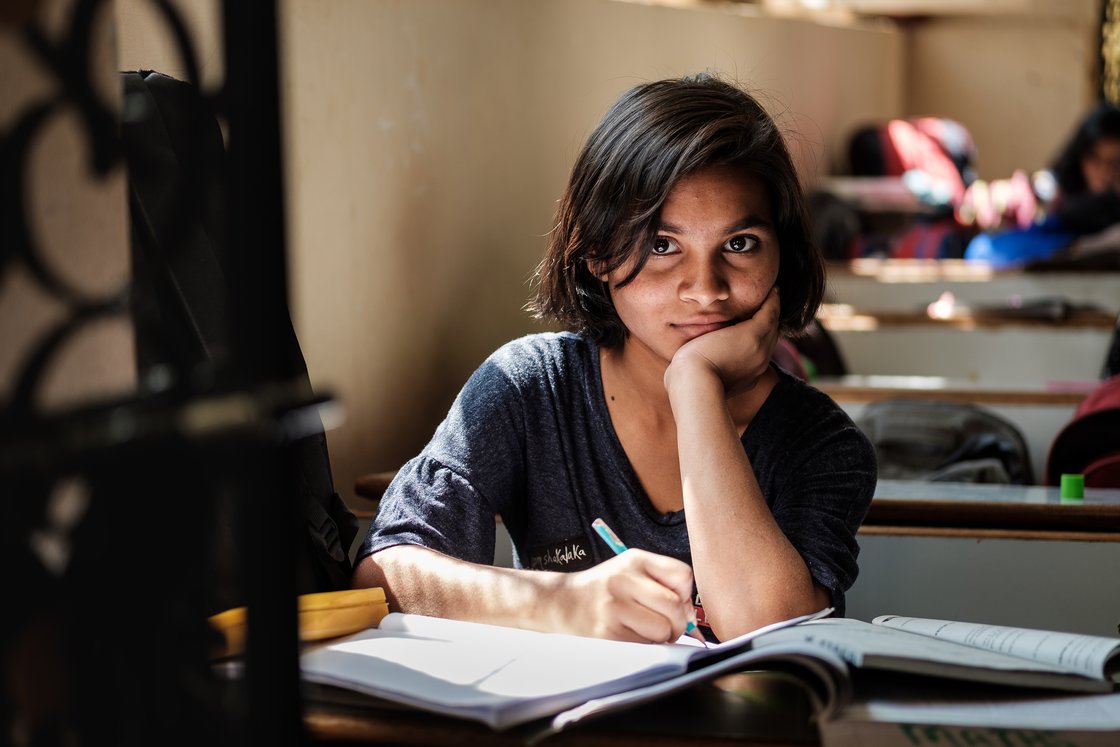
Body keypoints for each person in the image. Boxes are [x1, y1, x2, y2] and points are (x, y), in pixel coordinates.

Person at [352, 73, 877, 644]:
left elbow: (770, 633)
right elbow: (382, 577)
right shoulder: (531, 389)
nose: (705, 289)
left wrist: (696, 385)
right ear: (598, 253)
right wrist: (562, 603)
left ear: (784, 252)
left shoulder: (824, 444)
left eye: (739, 244)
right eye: (661, 245)